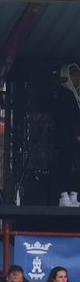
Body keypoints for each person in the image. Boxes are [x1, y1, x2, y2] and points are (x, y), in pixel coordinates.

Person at [51, 63, 80, 204]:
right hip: (66, 138)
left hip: (74, 139)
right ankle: (64, 194)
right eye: (74, 76)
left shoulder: (76, 95)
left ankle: (74, 194)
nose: (77, 78)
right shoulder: (63, 95)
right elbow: (66, 119)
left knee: (75, 167)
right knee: (66, 166)